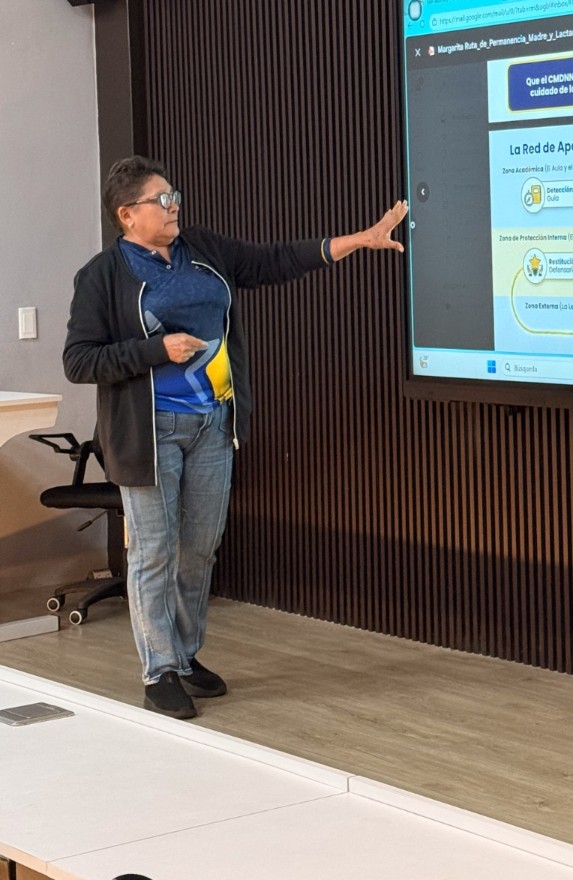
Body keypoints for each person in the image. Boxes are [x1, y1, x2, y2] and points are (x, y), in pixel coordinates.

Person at [63, 156, 407, 720]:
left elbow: (274, 261)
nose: (174, 206)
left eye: (174, 195)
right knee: (154, 552)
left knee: (199, 549)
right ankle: (158, 671)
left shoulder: (202, 249)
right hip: (149, 434)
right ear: (127, 215)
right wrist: (156, 349)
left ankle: (184, 656)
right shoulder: (103, 275)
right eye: (161, 200)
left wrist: (359, 240)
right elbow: (79, 361)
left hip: (212, 426)